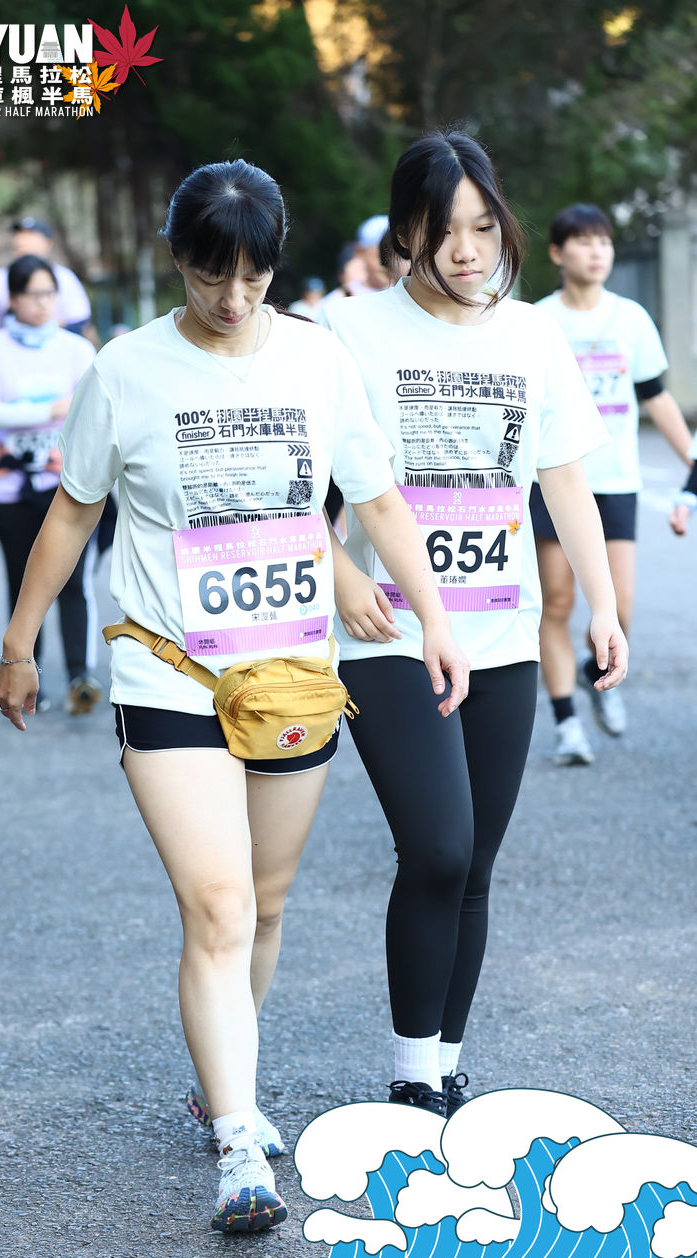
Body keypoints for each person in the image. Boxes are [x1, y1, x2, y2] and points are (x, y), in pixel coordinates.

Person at [0, 159, 469, 1233]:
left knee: (265, 900)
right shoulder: (125, 369)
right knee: (217, 905)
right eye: (213, 276)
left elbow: (376, 498)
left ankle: (223, 1075)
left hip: (292, 670)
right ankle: (238, 1140)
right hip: (168, 669)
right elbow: (72, 511)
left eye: (254, 277)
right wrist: (21, 643)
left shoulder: (316, 358)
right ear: (180, 259)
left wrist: (434, 619)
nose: (234, 299)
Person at [321, 132, 628, 1117]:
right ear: (403, 229)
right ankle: (411, 1074)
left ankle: (441, 1063)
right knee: (439, 847)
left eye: (482, 228)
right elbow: (297, 486)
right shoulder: (346, 331)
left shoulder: (531, 335)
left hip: (499, 631)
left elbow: (564, 478)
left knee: (475, 864)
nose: (464, 250)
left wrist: (602, 605)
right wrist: (339, 574)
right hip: (388, 632)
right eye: (441, 228)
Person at [529, 204, 692, 763]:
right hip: (553, 481)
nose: (597, 251)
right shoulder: (538, 322)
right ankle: (567, 723)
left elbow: (656, 397)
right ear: (558, 253)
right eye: (583, 241)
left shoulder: (631, 319)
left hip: (615, 481)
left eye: (603, 241)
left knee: (618, 605)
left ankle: (594, 668)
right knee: (557, 601)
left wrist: (692, 458)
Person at [0, 254, 102, 714]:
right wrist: (45, 411)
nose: (42, 303)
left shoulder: (77, 349)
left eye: (49, 294)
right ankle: (25, 674)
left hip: (68, 484)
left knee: (74, 580)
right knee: (23, 585)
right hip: (10, 489)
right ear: (13, 300)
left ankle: (80, 677)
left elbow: (96, 408)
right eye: (32, 294)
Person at [0, 217, 92, 336]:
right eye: (19, 235)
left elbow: (78, 320)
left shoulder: (64, 277)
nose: (21, 240)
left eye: (30, 235)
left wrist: (43, 329)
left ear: (47, 243)